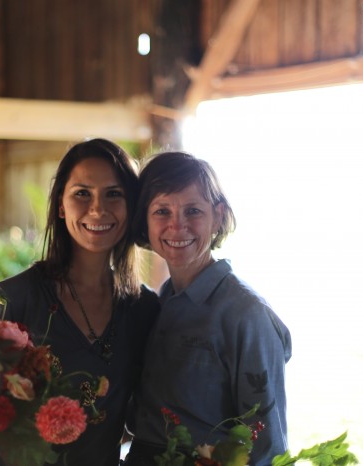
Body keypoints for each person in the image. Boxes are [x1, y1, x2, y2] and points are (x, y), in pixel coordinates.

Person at [0, 138, 160, 466]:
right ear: (61, 205)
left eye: (114, 193)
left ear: (131, 205)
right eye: (82, 193)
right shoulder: (14, 299)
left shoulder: (143, 309)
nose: (98, 209)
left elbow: (144, 419)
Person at [124, 151, 292, 466]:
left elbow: (268, 447)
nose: (177, 226)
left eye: (193, 211)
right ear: (143, 220)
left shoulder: (246, 315)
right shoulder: (157, 304)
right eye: (162, 211)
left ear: (218, 216)